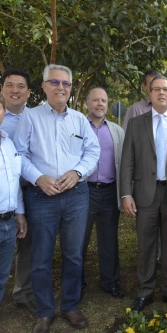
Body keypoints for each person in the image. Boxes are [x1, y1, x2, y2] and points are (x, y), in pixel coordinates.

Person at [13, 64, 100, 333]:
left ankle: (70, 306)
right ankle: (44, 312)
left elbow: (92, 151)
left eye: (65, 83)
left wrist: (77, 172)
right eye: (55, 82)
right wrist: (38, 177)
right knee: (41, 256)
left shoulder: (78, 119)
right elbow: (20, 154)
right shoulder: (31, 117)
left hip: (76, 196)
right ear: (44, 86)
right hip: (41, 197)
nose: (60, 87)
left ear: (70, 89)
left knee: (73, 255)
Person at [120, 75, 167, 312]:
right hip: (146, 194)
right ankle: (145, 291)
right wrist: (126, 193)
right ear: (150, 94)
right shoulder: (136, 123)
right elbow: (127, 162)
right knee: (146, 245)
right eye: (156, 89)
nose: (161, 93)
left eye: (166, 89)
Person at [81, 87, 125, 299]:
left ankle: (111, 281)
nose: (100, 104)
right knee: (78, 239)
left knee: (109, 240)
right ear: (87, 103)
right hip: (83, 192)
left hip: (109, 192)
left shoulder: (116, 130)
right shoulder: (79, 127)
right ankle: (76, 282)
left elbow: (125, 163)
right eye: (95, 100)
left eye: (104, 101)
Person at [0, 68, 35, 314]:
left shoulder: (35, 118)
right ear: (2, 90)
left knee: (27, 242)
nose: (15, 90)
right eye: (10, 85)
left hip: (28, 190)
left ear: (29, 92)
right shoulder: (2, 118)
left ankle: (22, 292)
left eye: (20, 86)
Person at [0, 93, 28, 304]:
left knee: (2, 277)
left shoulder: (9, 145)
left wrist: (19, 213)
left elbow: (14, 181)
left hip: (8, 222)